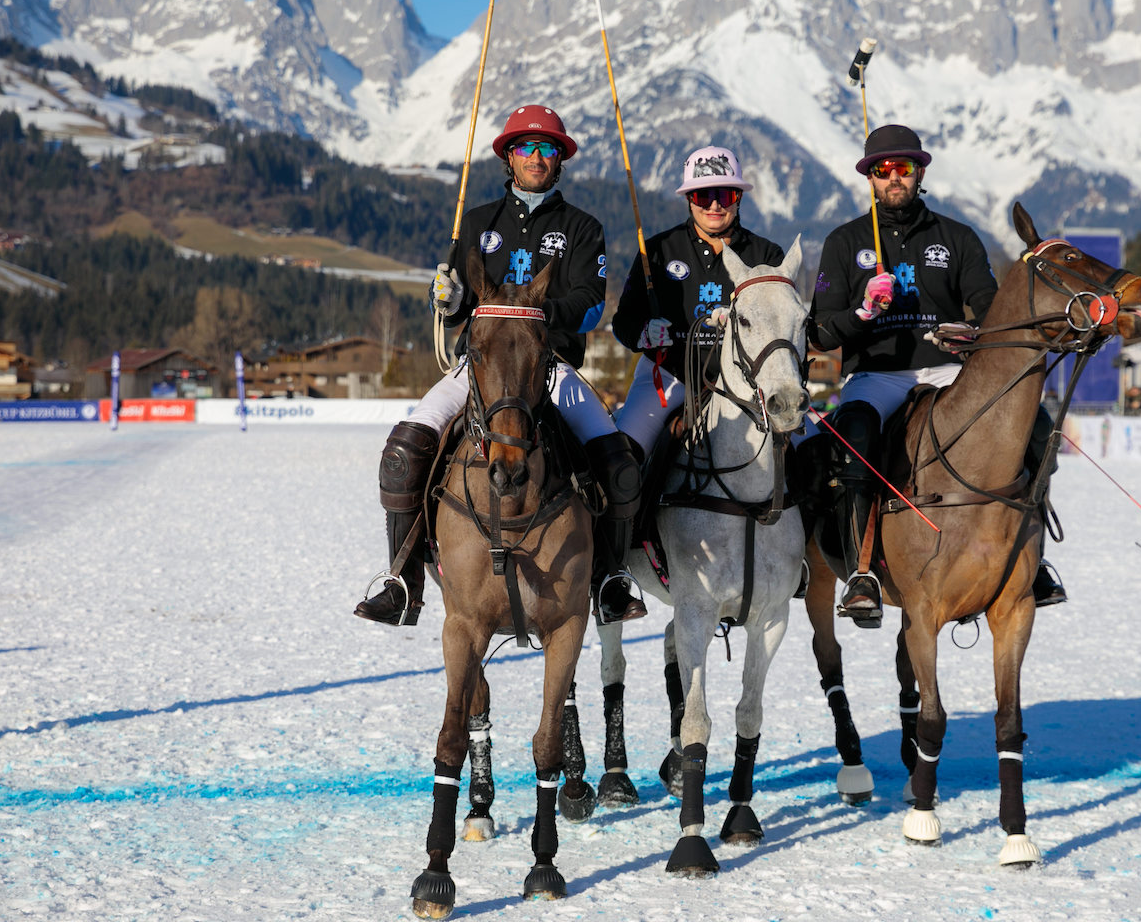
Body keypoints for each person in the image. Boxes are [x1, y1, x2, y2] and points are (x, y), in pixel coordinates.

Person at [355, 104, 645, 629]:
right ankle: (404, 581)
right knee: (404, 449)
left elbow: (591, 303)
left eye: (548, 148)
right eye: (527, 147)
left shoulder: (582, 227)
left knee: (618, 464)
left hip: (551, 369)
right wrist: (445, 297)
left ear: (561, 160)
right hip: (481, 370)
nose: (537, 156)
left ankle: (611, 578)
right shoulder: (477, 221)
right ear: (509, 156)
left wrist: (535, 313)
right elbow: (461, 303)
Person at [805, 124, 1065, 626]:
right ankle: (863, 572)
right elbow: (818, 332)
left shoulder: (957, 236)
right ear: (870, 178)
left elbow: (993, 310)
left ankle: (1032, 561)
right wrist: (861, 313)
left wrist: (971, 332)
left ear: (919, 172)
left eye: (904, 168)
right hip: (877, 375)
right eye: (883, 170)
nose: (894, 178)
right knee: (853, 434)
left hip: (949, 371)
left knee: (1037, 428)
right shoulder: (845, 241)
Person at [610, 145, 786, 457]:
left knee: (807, 450)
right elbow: (623, 321)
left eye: (726, 195)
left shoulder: (766, 255)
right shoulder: (656, 251)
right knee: (623, 456)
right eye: (704, 196)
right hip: (668, 376)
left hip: (745, 380)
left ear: (739, 197)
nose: (715, 205)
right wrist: (643, 333)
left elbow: (781, 326)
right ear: (690, 199)